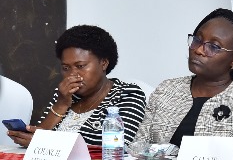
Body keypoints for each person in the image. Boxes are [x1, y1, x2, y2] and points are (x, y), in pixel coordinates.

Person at [136, 8, 233, 160]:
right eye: (197, 40)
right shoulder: (167, 89)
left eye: (213, 47)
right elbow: (138, 148)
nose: (198, 50)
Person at [6, 25, 146, 148]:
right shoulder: (64, 94)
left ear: (104, 63)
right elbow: (40, 135)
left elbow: (108, 147)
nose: (73, 75)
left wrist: (43, 142)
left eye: (80, 66)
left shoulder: (127, 94)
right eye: (66, 68)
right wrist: (61, 104)